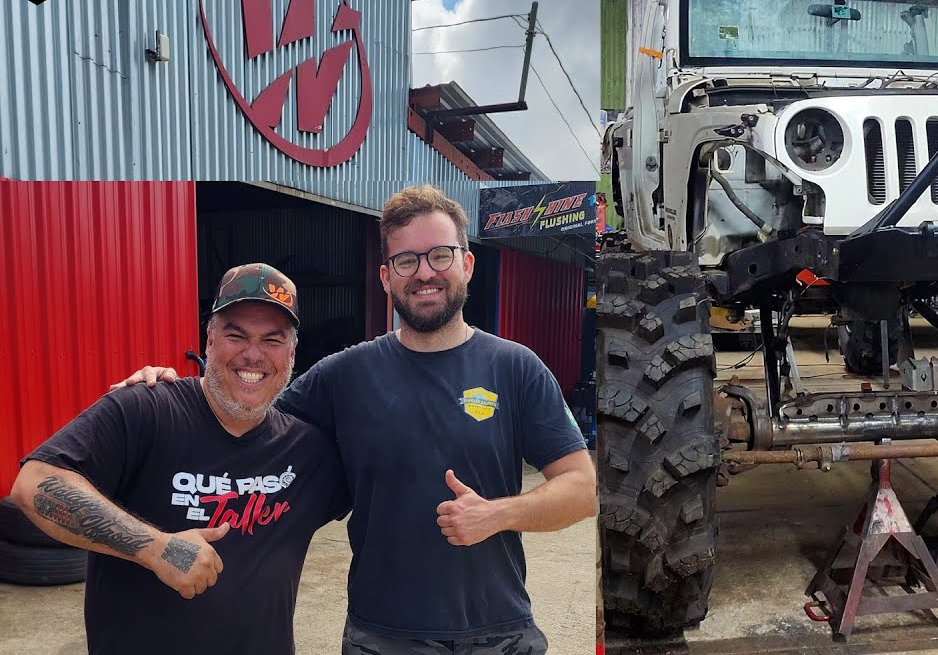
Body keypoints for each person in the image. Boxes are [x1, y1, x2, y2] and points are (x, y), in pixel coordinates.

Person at [117, 185, 596, 655]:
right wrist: (173, 390)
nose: (424, 273)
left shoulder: (516, 368)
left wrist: (498, 514)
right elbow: (244, 413)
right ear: (386, 278)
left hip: (500, 630)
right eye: (406, 261)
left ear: (467, 265)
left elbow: (582, 488)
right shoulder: (344, 374)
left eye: (440, 256)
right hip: (383, 634)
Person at [11, 263, 349, 655]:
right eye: (236, 335)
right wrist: (156, 548)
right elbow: (34, 485)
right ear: (209, 339)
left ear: (292, 351)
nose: (253, 355)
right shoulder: (146, 410)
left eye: (272, 340)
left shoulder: (308, 450)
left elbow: (385, 488)